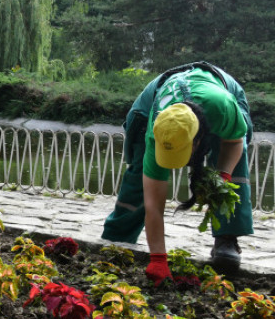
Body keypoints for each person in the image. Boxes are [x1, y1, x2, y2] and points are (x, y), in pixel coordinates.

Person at [102, 61, 253, 279]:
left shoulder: (222, 108)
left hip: (219, 90)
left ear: (198, 140)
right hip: (154, 97)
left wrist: (223, 175)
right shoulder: (156, 130)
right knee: (139, 179)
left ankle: (227, 239)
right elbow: (154, 204)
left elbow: (235, 142)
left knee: (233, 161)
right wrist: (158, 259)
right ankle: (117, 239)